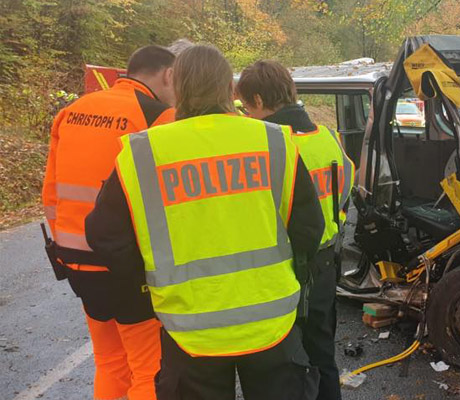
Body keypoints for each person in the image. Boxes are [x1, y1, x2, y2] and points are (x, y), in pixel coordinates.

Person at [85, 44, 324, 400]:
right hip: (271, 320)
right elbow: (308, 228)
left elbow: (104, 235)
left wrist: (149, 282)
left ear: (177, 88)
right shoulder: (273, 141)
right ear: (230, 90)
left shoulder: (143, 153)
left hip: (189, 329)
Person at [41, 45, 176, 400]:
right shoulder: (158, 116)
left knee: (109, 361)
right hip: (128, 264)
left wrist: (64, 247)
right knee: (149, 367)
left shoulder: (71, 111)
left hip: (75, 259)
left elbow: (50, 194)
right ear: (168, 75)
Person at [236, 60, 355, 400]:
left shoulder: (269, 147)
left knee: (287, 366)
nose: (246, 114)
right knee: (323, 356)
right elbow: (347, 186)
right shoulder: (328, 138)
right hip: (326, 262)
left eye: (246, 106)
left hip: (286, 270)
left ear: (258, 100)